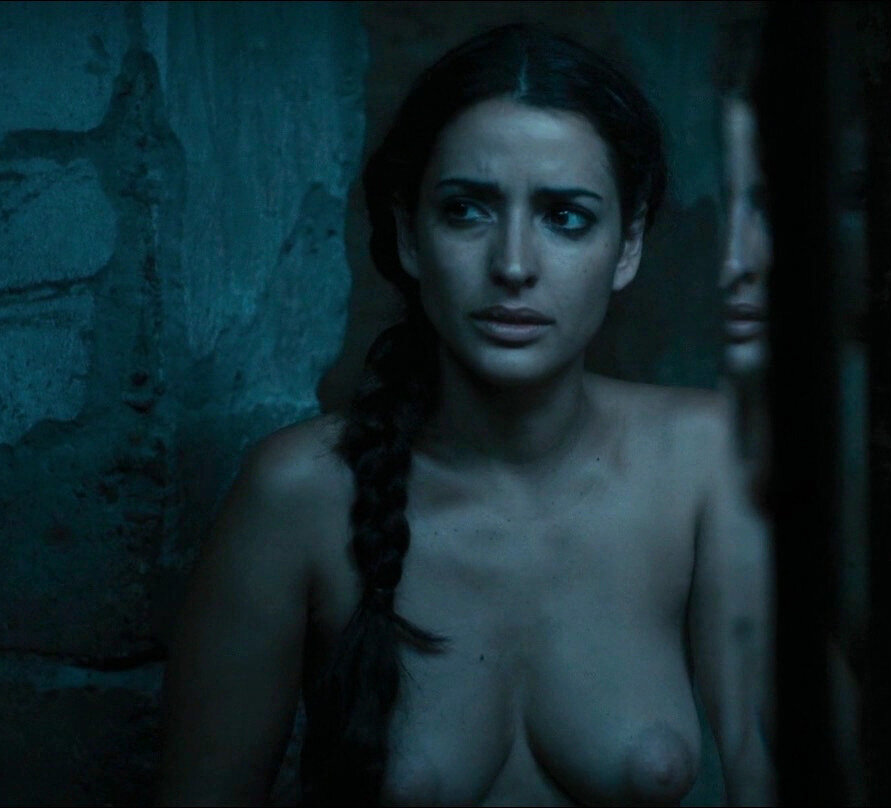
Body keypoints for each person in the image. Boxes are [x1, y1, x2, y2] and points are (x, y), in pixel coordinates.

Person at [157, 24, 773, 806]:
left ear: (627, 247)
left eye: (566, 218)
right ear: (409, 235)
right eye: (467, 211)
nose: (513, 265)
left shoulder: (707, 461)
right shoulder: (298, 497)